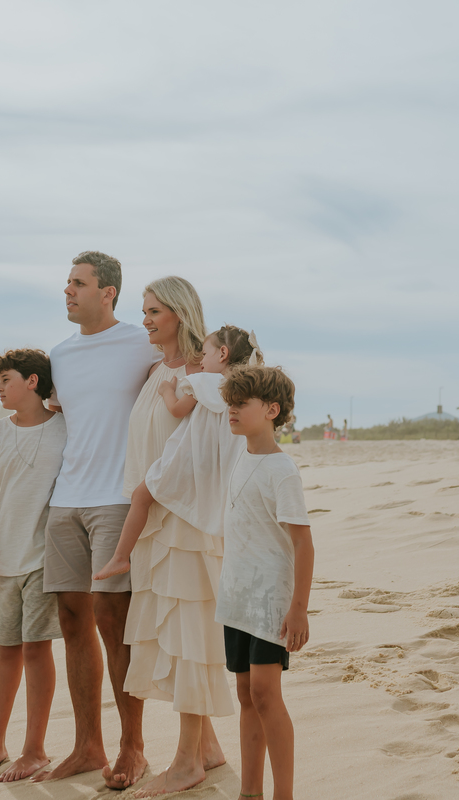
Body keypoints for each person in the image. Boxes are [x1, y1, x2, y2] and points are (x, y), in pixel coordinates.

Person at [0, 251, 158, 788]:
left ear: (109, 292)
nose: (68, 292)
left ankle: (132, 747)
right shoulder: (62, 354)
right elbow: (39, 415)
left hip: (116, 499)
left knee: (113, 621)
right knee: (73, 623)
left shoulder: (139, 343)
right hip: (65, 501)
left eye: (78, 283)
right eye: (66, 284)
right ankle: (87, 745)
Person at [114, 278, 233, 798]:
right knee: (177, 633)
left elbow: (214, 456)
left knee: (189, 635)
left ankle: (186, 762)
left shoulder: (202, 380)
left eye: (154, 311)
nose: (145, 319)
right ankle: (206, 748)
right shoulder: (156, 373)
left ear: (181, 315)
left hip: (184, 523)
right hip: (154, 525)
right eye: (143, 311)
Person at [94, 325, 260, 580]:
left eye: (205, 354)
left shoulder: (203, 381)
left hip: (187, 457)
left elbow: (177, 410)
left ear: (223, 353)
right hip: (218, 465)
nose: (201, 361)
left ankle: (119, 557)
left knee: (140, 495)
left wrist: (166, 392)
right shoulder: (242, 391)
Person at [0, 349, 68, 782]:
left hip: (47, 559)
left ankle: (35, 748)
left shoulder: (67, 428)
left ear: (32, 381)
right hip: (5, 559)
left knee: (36, 648)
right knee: (6, 649)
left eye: (5, 379)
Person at [217, 366, 314, 800]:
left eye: (242, 404)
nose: (232, 411)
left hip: (271, 600)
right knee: (244, 693)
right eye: (230, 403)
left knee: (265, 693)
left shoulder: (283, 470)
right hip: (236, 597)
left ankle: (284, 795)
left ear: (272, 410)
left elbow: (303, 543)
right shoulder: (241, 454)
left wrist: (299, 607)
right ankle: (249, 792)